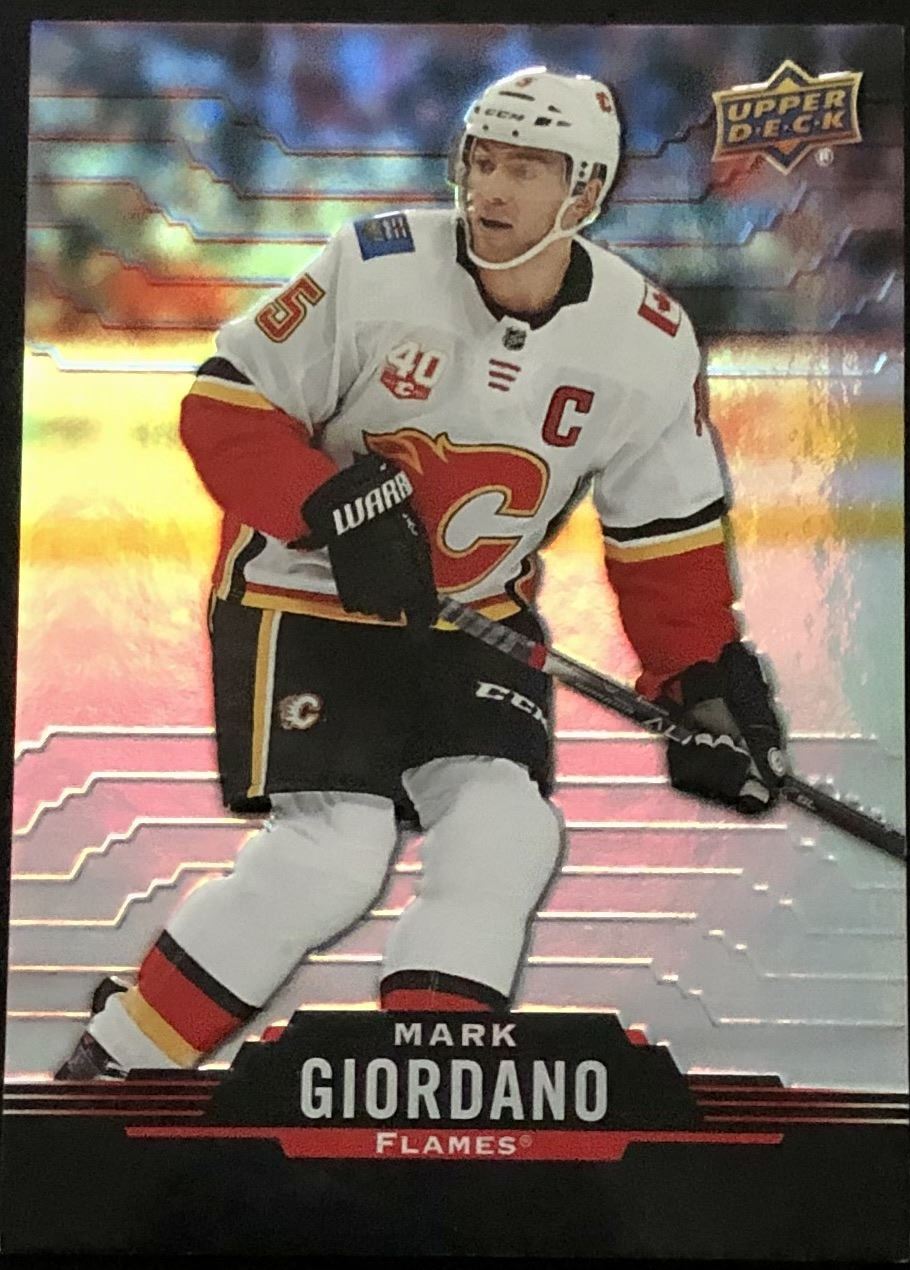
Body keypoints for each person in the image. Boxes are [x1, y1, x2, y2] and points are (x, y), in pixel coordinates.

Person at [55, 67, 786, 1080]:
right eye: (481, 160)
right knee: (334, 853)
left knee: (507, 831)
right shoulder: (375, 267)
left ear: (585, 192)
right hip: (301, 596)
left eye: (524, 169)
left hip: (472, 616)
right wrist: (326, 503)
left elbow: (666, 539)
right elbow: (224, 407)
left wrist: (699, 681)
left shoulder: (645, 339)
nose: (489, 188)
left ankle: (430, 1073)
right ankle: (123, 1055)